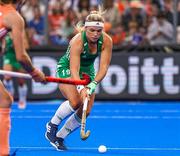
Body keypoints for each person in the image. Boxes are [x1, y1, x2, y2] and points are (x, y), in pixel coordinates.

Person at [45, 7, 113, 151]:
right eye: (92, 30)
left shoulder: (106, 41)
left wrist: (93, 84)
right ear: (85, 29)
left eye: (99, 31)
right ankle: (52, 124)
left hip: (88, 71)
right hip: (68, 68)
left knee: (86, 110)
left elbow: (104, 67)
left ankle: (59, 137)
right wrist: (81, 88)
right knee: (76, 101)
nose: (96, 34)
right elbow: (74, 69)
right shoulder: (77, 41)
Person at [0, 0, 46, 155]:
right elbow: (21, 56)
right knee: (4, 100)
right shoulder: (14, 17)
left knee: (4, 99)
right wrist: (34, 73)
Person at [2, 32, 29, 109]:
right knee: (7, 78)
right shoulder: (5, 33)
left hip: (19, 56)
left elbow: (26, 46)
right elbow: (4, 48)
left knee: (21, 81)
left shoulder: (21, 32)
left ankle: (22, 100)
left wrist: (17, 43)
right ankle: (10, 92)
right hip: (9, 56)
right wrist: (4, 47)